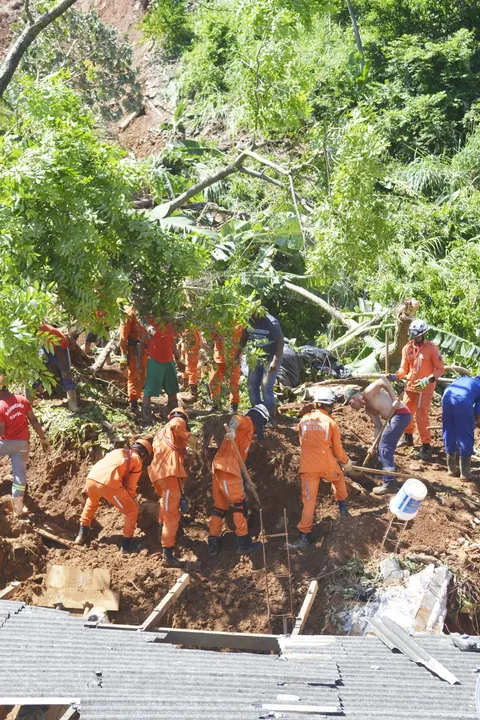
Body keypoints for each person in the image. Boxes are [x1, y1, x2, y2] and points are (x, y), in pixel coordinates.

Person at [289, 388, 351, 550]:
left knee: (308, 501)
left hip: (308, 466)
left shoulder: (303, 420)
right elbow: (337, 450)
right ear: (329, 406)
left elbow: (303, 442)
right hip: (327, 464)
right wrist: (346, 462)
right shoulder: (331, 423)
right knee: (338, 479)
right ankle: (344, 512)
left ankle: (304, 537)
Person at [207, 404, 270, 557]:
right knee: (239, 504)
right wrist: (233, 429)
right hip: (227, 469)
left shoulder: (248, 435)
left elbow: (240, 462)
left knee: (220, 507)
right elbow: (236, 419)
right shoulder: (248, 422)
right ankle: (244, 543)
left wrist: (247, 482)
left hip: (222, 467)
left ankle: (213, 542)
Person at [75, 438, 153, 553]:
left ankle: (81, 534)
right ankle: (126, 547)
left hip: (91, 479)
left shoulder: (118, 451)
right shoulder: (137, 461)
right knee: (132, 511)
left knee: (92, 501)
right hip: (108, 484)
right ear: (144, 454)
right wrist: (136, 506)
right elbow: (130, 488)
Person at [343, 378, 412, 495]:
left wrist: (394, 399)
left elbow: (383, 381)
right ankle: (387, 476)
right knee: (381, 447)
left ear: (354, 398)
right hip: (394, 418)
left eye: (350, 403)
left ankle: (389, 483)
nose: (351, 407)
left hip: (400, 414)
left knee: (385, 448)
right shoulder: (369, 409)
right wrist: (373, 446)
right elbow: (378, 427)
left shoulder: (368, 393)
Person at [388, 319, 444, 460]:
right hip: (410, 387)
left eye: (417, 336)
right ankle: (408, 437)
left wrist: (428, 380)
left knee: (421, 417)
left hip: (425, 389)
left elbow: (440, 369)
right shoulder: (407, 348)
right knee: (405, 412)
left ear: (423, 334)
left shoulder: (432, 349)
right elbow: (403, 369)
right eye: (413, 336)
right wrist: (396, 376)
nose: (415, 339)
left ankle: (426, 446)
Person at [0, 377, 50, 516]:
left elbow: (1, 432)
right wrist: (43, 438)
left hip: (5, 443)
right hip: (22, 444)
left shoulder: (0, 406)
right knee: (19, 474)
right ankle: (18, 508)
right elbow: (34, 421)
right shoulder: (22, 400)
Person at [148, 408, 191, 566]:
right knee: (172, 514)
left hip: (159, 474)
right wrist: (189, 437)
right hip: (170, 472)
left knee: (165, 504)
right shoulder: (177, 422)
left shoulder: (160, 434)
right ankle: (168, 552)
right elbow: (177, 425)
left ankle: (161, 531)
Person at [235, 313, 284, 421]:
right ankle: (258, 415)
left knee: (266, 387)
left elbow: (281, 341)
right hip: (255, 356)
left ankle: (271, 417)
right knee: (252, 386)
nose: (254, 317)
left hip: (271, 357)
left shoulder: (272, 322)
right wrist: (237, 355)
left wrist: (275, 361)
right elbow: (244, 338)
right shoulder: (248, 320)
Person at [442, 374, 480, 480]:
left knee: (448, 430)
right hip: (462, 399)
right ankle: (465, 473)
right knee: (465, 434)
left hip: (447, 395)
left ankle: (451, 469)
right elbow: (478, 412)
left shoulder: (465, 379)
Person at [142, 318, 180, 423]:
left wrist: (177, 356)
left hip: (169, 360)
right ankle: (146, 416)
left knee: (173, 389)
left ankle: (174, 414)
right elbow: (141, 342)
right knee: (149, 390)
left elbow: (172, 341)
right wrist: (138, 364)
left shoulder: (170, 323)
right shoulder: (149, 323)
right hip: (155, 360)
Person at [39, 323, 79, 411]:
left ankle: (73, 406)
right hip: (45, 347)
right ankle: (28, 406)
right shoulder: (28, 331)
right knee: (36, 373)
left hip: (60, 348)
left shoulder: (47, 331)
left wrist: (64, 367)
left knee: (66, 375)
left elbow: (59, 348)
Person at [119, 306, 148, 413]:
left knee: (142, 375)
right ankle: (133, 404)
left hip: (144, 349)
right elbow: (123, 337)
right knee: (134, 376)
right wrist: (124, 355)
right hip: (133, 350)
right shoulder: (129, 314)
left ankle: (138, 399)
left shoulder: (146, 311)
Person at [209, 323, 243, 413]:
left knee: (233, 383)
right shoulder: (217, 319)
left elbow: (243, 339)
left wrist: (238, 355)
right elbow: (211, 336)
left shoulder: (240, 320)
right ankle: (216, 404)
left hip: (233, 357)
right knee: (213, 381)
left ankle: (234, 406)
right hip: (218, 357)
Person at [179, 328, 202, 404]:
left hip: (192, 340)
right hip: (186, 337)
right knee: (183, 360)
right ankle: (184, 384)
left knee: (191, 367)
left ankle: (193, 394)